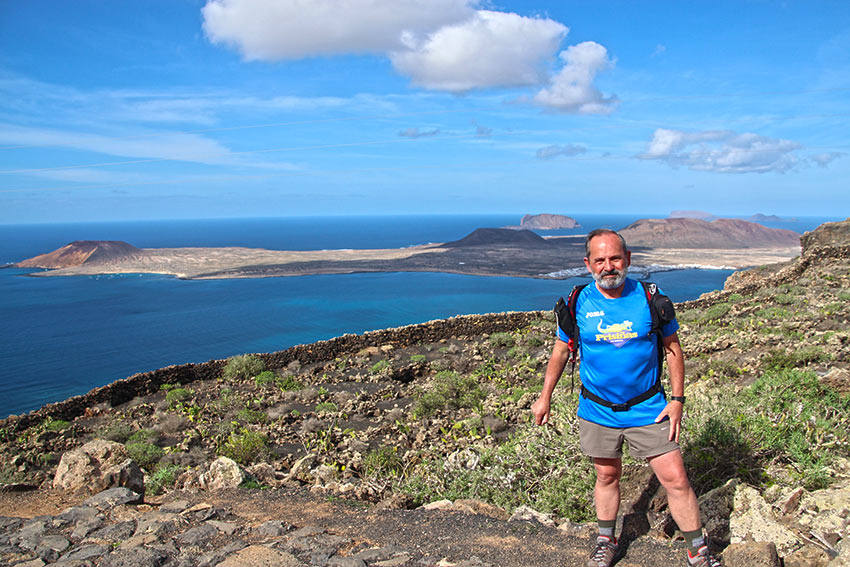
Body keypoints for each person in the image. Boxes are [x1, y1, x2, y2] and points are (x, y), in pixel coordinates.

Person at [531, 229, 721, 567]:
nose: (608, 266)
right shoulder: (578, 303)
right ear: (587, 264)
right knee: (606, 476)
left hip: (649, 409)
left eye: (615, 258)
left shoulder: (651, 299)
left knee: (676, 478)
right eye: (600, 260)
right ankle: (606, 540)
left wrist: (677, 400)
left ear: (628, 259)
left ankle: (698, 552)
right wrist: (544, 396)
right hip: (597, 410)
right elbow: (561, 351)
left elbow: (673, 348)